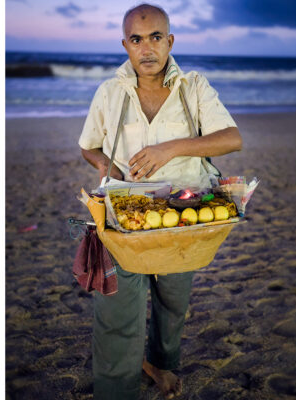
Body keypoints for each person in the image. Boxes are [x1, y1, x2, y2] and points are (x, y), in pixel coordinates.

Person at [78, 4, 242, 399]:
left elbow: (232, 138)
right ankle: (117, 391)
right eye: (137, 39)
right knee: (117, 310)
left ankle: (162, 365)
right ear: (125, 45)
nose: (147, 48)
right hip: (125, 218)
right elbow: (88, 147)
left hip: (185, 216)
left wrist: (171, 149)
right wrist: (106, 168)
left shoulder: (194, 86)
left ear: (170, 41)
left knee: (172, 305)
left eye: (155, 38)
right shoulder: (109, 92)